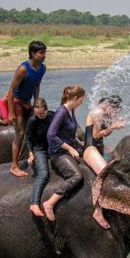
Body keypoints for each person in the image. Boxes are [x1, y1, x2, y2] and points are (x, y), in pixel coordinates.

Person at [43, 86, 86, 222]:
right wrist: (70, 148)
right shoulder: (61, 112)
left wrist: (81, 145)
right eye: (81, 100)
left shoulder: (71, 110)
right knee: (76, 176)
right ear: (74, 98)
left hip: (69, 149)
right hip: (58, 153)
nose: (82, 103)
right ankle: (50, 203)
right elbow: (51, 135)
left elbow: (72, 133)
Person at [83, 95, 126, 229]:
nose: (115, 113)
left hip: (99, 149)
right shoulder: (96, 113)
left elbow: (104, 133)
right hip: (90, 149)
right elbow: (96, 135)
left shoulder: (103, 113)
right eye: (115, 110)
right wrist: (113, 126)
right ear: (108, 105)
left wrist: (114, 126)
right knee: (104, 175)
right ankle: (98, 210)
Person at [7, 41, 47, 177]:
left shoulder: (42, 68)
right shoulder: (23, 69)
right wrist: (11, 112)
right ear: (33, 54)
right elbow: (11, 90)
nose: (44, 56)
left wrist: (36, 103)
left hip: (28, 103)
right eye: (41, 53)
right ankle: (14, 165)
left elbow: (36, 85)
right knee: (21, 133)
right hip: (17, 102)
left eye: (44, 53)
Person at [25, 98, 54, 216]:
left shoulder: (53, 116)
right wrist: (31, 153)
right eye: (37, 114)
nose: (39, 116)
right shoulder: (33, 120)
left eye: (41, 113)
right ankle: (34, 203)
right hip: (39, 149)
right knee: (43, 174)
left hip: (52, 147)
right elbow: (28, 138)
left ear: (46, 109)